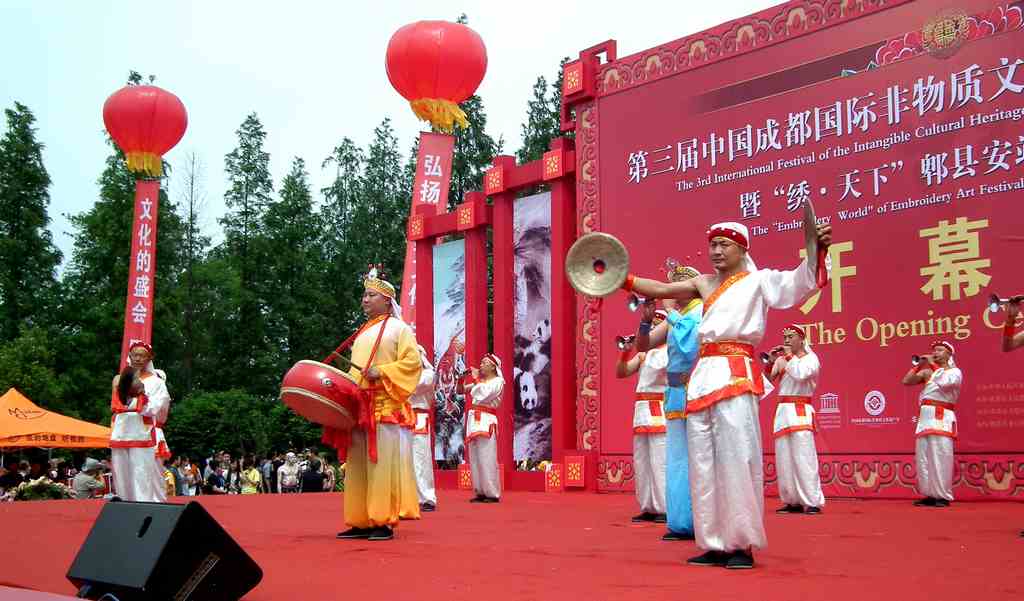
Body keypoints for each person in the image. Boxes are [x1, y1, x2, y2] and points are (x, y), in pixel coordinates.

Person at [626, 220, 832, 569]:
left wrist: (817, 250)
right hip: (703, 376)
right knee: (703, 462)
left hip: (735, 373)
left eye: (725, 245)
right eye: (713, 245)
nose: (717, 251)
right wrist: (621, 278)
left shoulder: (759, 281)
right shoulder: (703, 283)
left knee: (737, 460)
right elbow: (660, 288)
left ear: (742, 249)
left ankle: (740, 543)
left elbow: (798, 282)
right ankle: (713, 542)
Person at [328, 270, 423, 541]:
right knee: (357, 467)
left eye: (371, 295)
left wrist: (381, 371)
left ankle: (382, 521)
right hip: (359, 407)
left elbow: (413, 364)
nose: (365, 300)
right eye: (364, 295)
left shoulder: (399, 329)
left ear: (387, 300)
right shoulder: (362, 332)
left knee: (381, 466)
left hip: (384, 406)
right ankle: (360, 521)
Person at [636, 263, 703, 541]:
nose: (672, 289)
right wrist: (645, 320)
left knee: (697, 457)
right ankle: (680, 522)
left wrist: (669, 312)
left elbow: (689, 344)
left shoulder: (701, 310)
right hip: (675, 393)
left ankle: (701, 521)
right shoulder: (676, 316)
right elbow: (643, 345)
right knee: (676, 459)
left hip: (697, 389)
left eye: (678, 284)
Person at [617, 308, 669, 524]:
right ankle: (647, 506)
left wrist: (644, 353)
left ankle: (664, 507)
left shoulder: (669, 352)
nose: (652, 331)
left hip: (658, 410)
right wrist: (626, 352)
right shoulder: (643, 355)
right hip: (641, 411)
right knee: (642, 461)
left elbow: (660, 368)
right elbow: (621, 372)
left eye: (657, 327)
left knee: (659, 460)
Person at [768, 324, 825, 515]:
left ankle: (812, 501)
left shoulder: (811, 358)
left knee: (804, 458)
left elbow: (801, 374)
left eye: (791, 337)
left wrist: (788, 357)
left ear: (801, 339)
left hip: (800, 411)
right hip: (783, 413)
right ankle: (792, 501)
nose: (787, 340)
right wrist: (770, 362)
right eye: (785, 337)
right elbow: (767, 381)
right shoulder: (783, 359)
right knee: (784, 459)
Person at [901, 341, 961, 508]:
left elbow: (945, 383)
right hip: (925, 419)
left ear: (949, 354)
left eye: (940, 350)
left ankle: (942, 496)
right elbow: (906, 381)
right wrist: (918, 366)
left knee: (940, 457)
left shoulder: (954, 372)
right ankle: (929, 494)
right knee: (924, 458)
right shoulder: (928, 372)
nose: (935, 353)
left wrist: (933, 365)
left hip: (941, 418)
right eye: (934, 350)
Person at [109, 363, 169, 502]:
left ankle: (143, 503)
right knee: (122, 473)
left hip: (141, 437)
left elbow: (152, 409)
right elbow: (116, 406)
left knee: (142, 473)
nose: (141, 382)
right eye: (137, 379)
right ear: (128, 383)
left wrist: (141, 401)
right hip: (121, 437)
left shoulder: (145, 398)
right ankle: (125, 503)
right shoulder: (119, 398)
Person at [465, 353, 504, 504]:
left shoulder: (498, 382)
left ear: (493, 367)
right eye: (481, 363)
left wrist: (476, 379)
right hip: (474, 420)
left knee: (487, 457)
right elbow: (461, 390)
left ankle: (492, 493)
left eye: (484, 363)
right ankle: (480, 491)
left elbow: (484, 394)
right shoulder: (481, 382)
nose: (480, 365)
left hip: (486, 420)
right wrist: (461, 379)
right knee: (475, 458)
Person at [411, 344, 438, 512]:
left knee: (420, 459)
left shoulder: (428, 374)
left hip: (419, 418)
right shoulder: (404, 374)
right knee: (403, 460)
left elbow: (412, 386)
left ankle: (427, 498)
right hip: (402, 418)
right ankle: (408, 498)